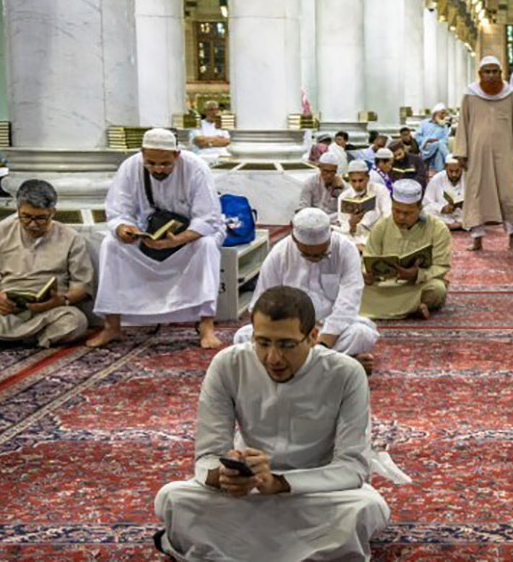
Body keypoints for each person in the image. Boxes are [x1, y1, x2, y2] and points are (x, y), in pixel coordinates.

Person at [154, 286, 390, 561]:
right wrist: (226, 477)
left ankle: (231, 546)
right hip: (250, 491)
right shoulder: (228, 364)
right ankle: (304, 549)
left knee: (367, 508)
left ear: (313, 336)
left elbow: (352, 467)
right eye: (263, 343)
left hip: (314, 491)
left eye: (286, 345)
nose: (273, 358)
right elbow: (207, 457)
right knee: (172, 499)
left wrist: (279, 483)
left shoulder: (345, 373)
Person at [90, 128, 224, 348]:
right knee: (111, 244)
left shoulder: (196, 168)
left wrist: (176, 240)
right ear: (142, 154)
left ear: (176, 155)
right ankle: (112, 326)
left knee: (206, 246)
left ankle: (206, 326)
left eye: (164, 164)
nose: (158, 169)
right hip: (148, 233)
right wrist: (125, 229)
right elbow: (118, 211)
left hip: (189, 236)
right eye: (151, 163)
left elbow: (207, 219)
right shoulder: (130, 167)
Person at [234, 209, 378, 369]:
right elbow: (261, 304)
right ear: (294, 239)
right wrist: (287, 333)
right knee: (242, 336)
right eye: (306, 255)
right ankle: (339, 365)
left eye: (320, 255)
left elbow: (348, 303)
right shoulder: (279, 253)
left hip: (330, 330)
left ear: (330, 234)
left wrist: (322, 343)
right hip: (288, 331)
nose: (314, 260)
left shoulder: (345, 249)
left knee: (361, 334)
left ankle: (300, 364)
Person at [0, 180, 94, 355]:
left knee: (74, 322)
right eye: (26, 216)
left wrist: (61, 300)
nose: (32, 224)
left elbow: (82, 287)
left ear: (52, 212)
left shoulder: (71, 238)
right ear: (18, 210)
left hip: (49, 311)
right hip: (6, 310)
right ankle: (28, 338)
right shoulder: (0, 233)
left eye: (40, 218)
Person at [458, 55, 513, 251]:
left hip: (505, 153)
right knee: (477, 193)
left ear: (501, 73)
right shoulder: (470, 95)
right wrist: (462, 152)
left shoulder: (510, 95)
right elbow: (463, 124)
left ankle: (512, 236)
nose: (491, 76)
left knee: (508, 193)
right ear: (480, 74)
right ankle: (477, 238)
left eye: (495, 71)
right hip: (477, 154)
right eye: (487, 72)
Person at [361, 179, 451, 320]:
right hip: (385, 285)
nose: (401, 217)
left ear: (420, 209)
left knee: (437, 290)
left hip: (417, 285)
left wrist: (417, 275)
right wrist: (367, 274)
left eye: (408, 213)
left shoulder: (438, 229)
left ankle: (405, 306)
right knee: (352, 286)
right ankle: (413, 308)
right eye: (396, 211)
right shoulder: (382, 226)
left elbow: (441, 266)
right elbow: (368, 258)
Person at [335, 160, 392, 247]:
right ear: (349, 180)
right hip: (355, 238)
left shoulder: (380, 190)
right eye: (354, 181)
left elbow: (388, 215)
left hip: (377, 234)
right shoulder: (343, 197)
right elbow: (344, 227)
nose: (357, 185)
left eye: (361, 180)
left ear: (368, 178)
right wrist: (352, 223)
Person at [416, 104, 452, 173]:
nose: (443, 115)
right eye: (442, 113)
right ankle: (449, 160)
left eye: (444, 113)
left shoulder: (444, 125)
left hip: (438, 148)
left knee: (438, 150)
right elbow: (418, 137)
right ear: (435, 113)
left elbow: (445, 140)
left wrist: (443, 126)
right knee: (439, 144)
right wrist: (427, 140)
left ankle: (439, 173)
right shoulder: (424, 123)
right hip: (425, 148)